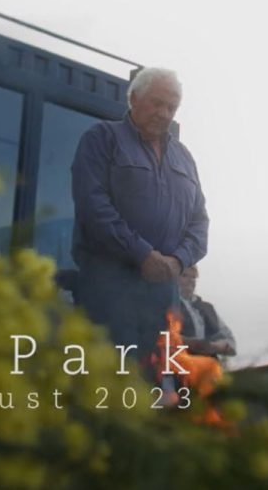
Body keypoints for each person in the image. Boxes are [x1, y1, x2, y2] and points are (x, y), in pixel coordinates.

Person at [70, 67, 209, 367]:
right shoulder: (102, 139)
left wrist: (176, 262)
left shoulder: (184, 158)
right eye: (156, 103)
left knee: (157, 391)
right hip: (108, 287)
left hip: (163, 297)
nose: (163, 113)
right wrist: (142, 254)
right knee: (107, 383)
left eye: (171, 107)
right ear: (133, 98)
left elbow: (200, 224)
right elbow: (93, 206)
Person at [178, 265, 236, 359]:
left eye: (193, 277)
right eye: (185, 276)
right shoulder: (166, 306)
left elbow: (231, 342)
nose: (191, 280)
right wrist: (190, 343)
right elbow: (159, 337)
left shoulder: (207, 308)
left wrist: (215, 346)